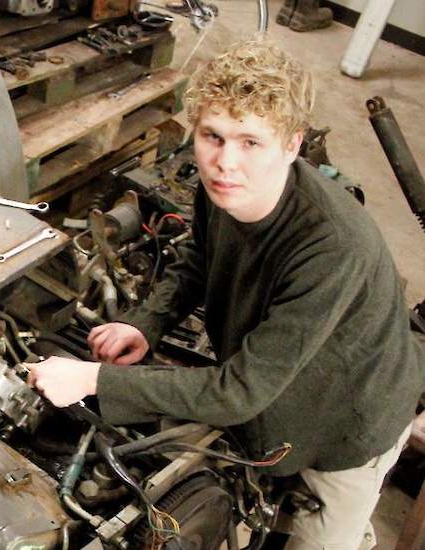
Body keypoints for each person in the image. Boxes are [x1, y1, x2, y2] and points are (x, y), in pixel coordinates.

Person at [28, 38, 425, 550]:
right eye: (212, 136)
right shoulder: (221, 191)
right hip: (276, 384)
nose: (224, 163)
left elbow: (238, 394)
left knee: (321, 540)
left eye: (250, 142)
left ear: (292, 144)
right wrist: (144, 324)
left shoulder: (332, 248)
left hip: (348, 421)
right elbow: (198, 260)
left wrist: (95, 379)